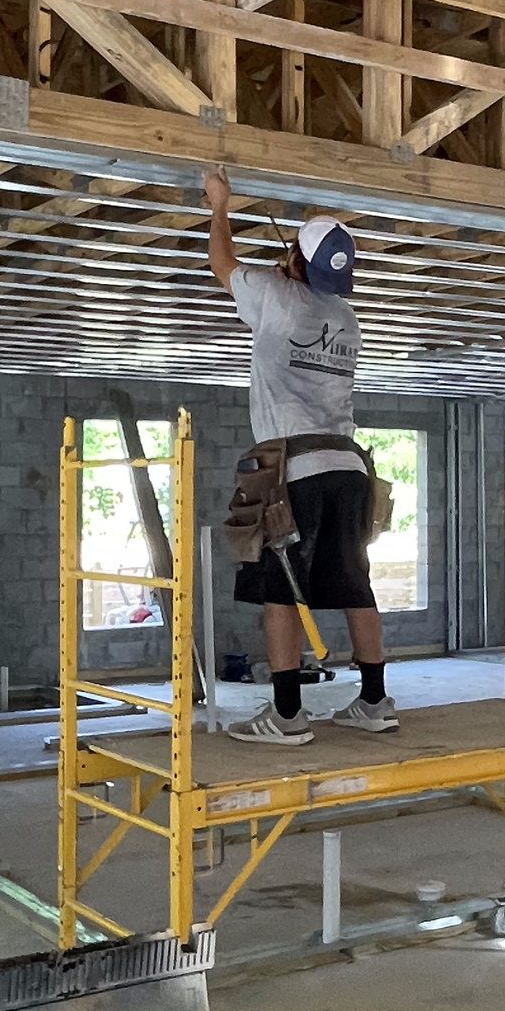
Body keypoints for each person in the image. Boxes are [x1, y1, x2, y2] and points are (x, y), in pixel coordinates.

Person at [204, 167, 397, 746]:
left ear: (295, 259)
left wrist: (220, 207)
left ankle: (287, 716)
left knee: (278, 590)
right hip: (349, 469)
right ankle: (374, 702)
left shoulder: (274, 295)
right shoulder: (347, 318)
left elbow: (221, 264)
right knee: (356, 583)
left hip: (295, 471)